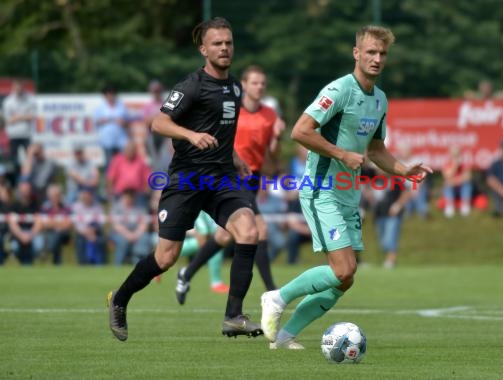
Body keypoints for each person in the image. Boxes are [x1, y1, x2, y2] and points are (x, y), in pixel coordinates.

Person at [260, 25, 432, 349]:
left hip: (348, 194)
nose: (377, 59)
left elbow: (377, 149)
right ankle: (277, 297)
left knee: (346, 279)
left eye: (382, 53)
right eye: (370, 52)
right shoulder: (339, 91)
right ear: (356, 54)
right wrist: (341, 154)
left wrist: (404, 170)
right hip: (321, 188)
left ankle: (284, 337)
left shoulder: (379, 100)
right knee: (343, 268)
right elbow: (299, 131)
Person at [106, 17, 262, 342]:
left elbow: (222, 131)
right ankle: (120, 298)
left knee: (248, 231)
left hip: (221, 179)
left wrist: (236, 158)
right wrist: (190, 135)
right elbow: (158, 123)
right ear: (204, 49)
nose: (224, 48)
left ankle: (233, 315)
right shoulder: (191, 85)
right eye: (217, 43)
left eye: (228, 43)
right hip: (187, 180)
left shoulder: (234, 87)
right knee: (166, 257)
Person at [174, 65, 282, 305]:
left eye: (263, 83)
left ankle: (186, 273)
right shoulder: (233, 111)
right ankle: (272, 292)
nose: (260, 87)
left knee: (224, 236)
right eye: (255, 83)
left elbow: (271, 161)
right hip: (229, 175)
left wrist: (277, 139)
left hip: (252, 178)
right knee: (260, 229)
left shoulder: (270, 117)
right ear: (243, 85)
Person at [2, 79, 36, 184]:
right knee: (14, 161)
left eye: (20, 87)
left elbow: (33, 116)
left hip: (27, 134)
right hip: (13, 135)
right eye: (17, 87)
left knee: (30, 159)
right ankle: (16, 182)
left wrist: (18, 117)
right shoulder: (8, 101)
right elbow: (7, 119)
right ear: (13, 88)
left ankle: (29, 180)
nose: (19, 89)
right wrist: (23, 117)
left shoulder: (30, 99)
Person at [93, 85, 130, 168]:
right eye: (108, 93)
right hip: (107, 140)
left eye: (112, 93)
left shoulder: (121, 106)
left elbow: (127, 121)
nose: (110, 95)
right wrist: (104, 120)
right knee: (109, 164)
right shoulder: (100, 107)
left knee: (122, 163)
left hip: (120, 141)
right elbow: (95, 122)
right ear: (105, 95)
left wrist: (123, 122)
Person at [40, 183, 72, 265]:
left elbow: (68, 224)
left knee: (57, 236)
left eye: (57, 195)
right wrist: (58, 224)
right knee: (54, 237)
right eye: (53, 195)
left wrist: (53, 223)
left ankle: (54, 260)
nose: (55, 197)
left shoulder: (66, 207)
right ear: (49, 196)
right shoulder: (45, 207)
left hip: (64, 234)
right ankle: (56, 262)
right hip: (49, 233)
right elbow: (44, 223)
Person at [442, 145, 473, 217]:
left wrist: (455, 181)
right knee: (447, 186)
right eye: (454, 155)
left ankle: (465, 205)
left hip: (462, 188)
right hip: (452, 188)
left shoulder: (464, 164)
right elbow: (447, 177)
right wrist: (455, 165)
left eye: (457, 155)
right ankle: (450, 206)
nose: (455, 157)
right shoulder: (447, 164)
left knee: (467, 184)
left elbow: (468, 177)